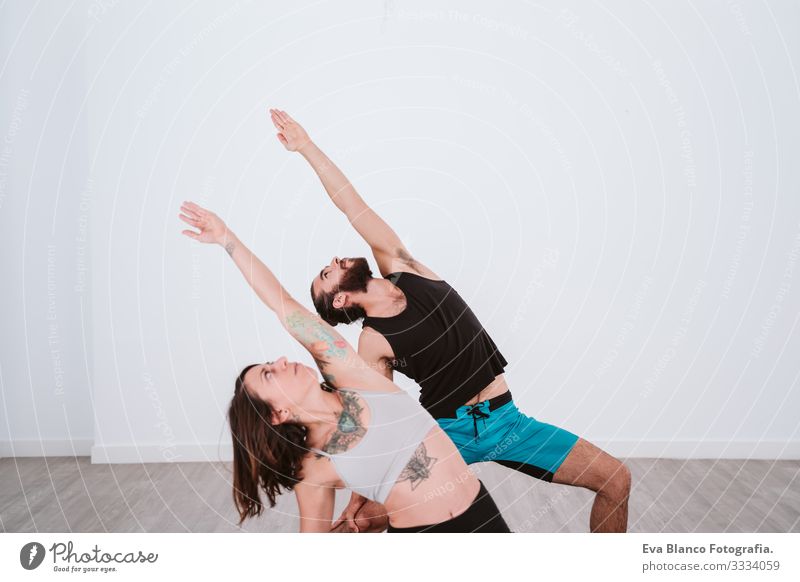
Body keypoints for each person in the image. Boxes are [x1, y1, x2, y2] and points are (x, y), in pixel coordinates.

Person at [268, 108, 633, 533]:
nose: (333, 261)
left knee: (615, 479)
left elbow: (352, 204)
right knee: (363, 522)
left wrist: (306, 147)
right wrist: (360, 496)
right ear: (343, 298)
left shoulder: (405, 266)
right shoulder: (372, 342)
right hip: (444, 432)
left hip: (507, 420)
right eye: (327, 274)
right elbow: (370, 413)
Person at [178, 200, 511, 533]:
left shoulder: (354, 379)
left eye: (270, 363)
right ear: (277, 414)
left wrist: (226, 238)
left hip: (482, 512)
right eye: (269, 373)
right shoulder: (313, 468)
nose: (280, 361)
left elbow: (283, 305)